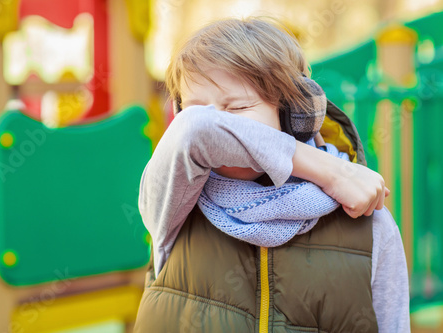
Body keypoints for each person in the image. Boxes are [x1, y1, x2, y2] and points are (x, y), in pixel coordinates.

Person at [134, 17, 410, 332]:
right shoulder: (174, 203)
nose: (222, 130)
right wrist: (333, 173)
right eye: (196, 108)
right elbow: (194, 131)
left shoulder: (369, 225)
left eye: (236, 110)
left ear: (294, 114)